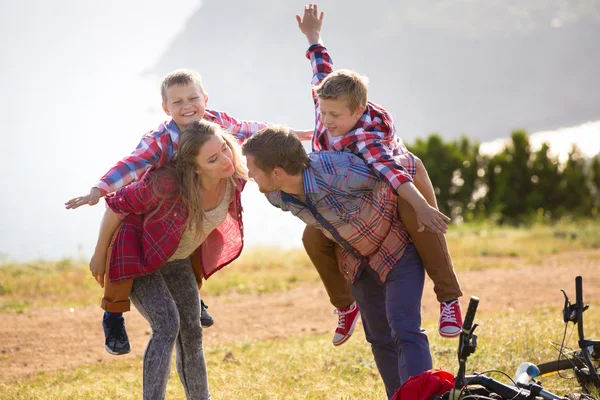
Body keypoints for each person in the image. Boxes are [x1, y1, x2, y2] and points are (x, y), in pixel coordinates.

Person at [65, 69, 311, 354]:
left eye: (193, 98)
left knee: (195, 239)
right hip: (150, 206)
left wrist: (292, 134)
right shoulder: (160, 139)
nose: (187, 106)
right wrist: (98, 190)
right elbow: (131, 164)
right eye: (178, 102)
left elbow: (250, 130)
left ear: (205, 98)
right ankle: (113, 315)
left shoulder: (216, 122)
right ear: (166, 109)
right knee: (127, 251)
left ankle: (193, 299)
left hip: (188, 204)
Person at [294, 4, 463, 345]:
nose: (327, 120)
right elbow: (320, 66)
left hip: (401, 178)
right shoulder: (327, 103)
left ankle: (448, 299)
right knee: (311, 238)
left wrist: (425, 207)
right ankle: (345, 306)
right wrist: (312, 35)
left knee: (419, 221)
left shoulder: (366, 137)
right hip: (354, 191)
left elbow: (394, 174)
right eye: (323, 112)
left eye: (335, 116)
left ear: (357, 111)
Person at [243, 126, 433, 398]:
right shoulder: (275, 195)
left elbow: (398, 171)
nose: (250, 174)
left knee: (404, 328)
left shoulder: (339, 171)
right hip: (357, 260)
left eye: (253, 168)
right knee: (380, 339)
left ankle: (424, 396)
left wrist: (423, 211)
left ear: (277, 172)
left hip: (396, 247)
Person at [89, 120, 247, 399]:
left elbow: (260, 143)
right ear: (196, 168)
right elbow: (116, 206)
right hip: (139, 256)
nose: (225, 159)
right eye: (213, 158)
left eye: (224, 149)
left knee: (192, 330)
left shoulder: (234, 175)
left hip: (176, 259)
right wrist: (99, 254)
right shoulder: (165, 183)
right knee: (167, 325)